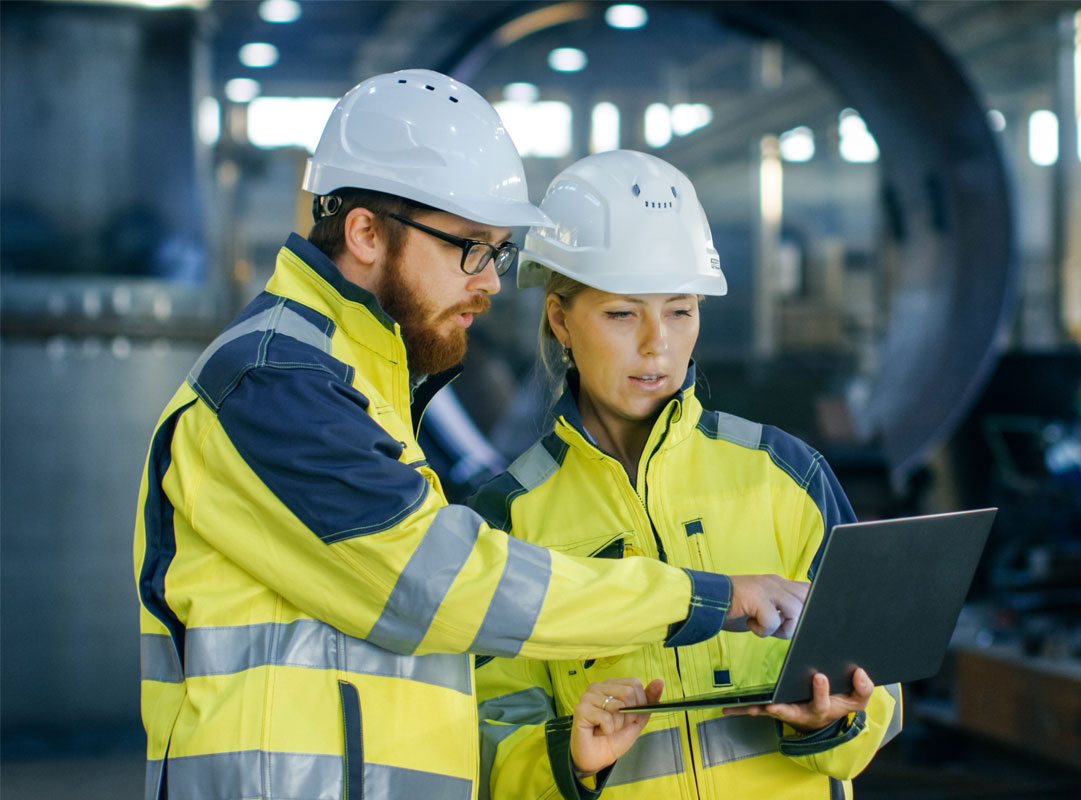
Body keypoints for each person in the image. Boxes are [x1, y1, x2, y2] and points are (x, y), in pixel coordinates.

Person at [133, 70, 812, 800]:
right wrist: (699, 598)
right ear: (364, 231)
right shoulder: (276, 380)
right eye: (470, 247)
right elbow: (438, 584)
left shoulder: (362, 383)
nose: (489, 282)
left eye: (496, 251)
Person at [471, 150, 903, 800]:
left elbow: (881, 684)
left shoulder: (784, 474)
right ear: (560, 319)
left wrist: (834, 719)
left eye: (680, 310)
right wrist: (571, 760)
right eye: (622, 314)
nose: (657, 344)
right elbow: (488, 734)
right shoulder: (510, 518)